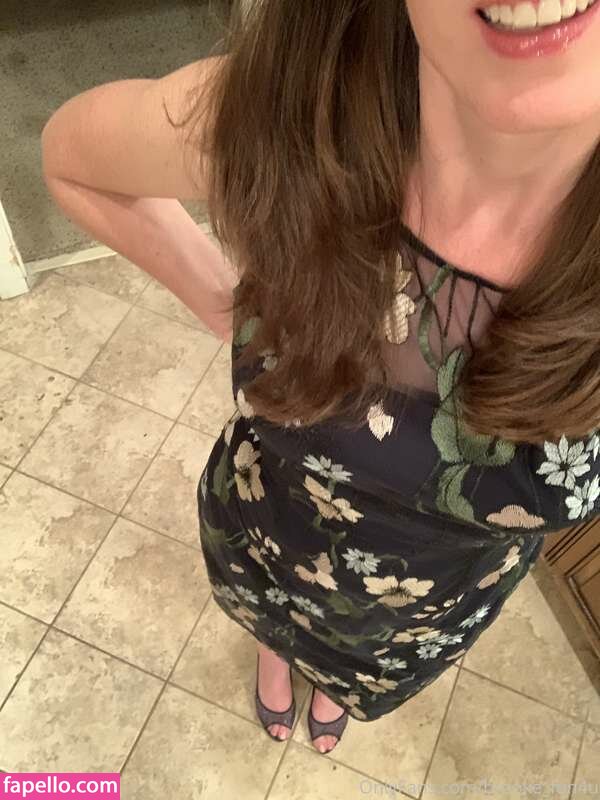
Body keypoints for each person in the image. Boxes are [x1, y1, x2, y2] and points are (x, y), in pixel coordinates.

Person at [42, 0, 600, 757]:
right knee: (269, 623)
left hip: (415, 622)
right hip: (267, 543)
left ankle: (334, 684)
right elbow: (73, 161)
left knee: (347, 672)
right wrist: (224, 305)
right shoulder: (290, 120)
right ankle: (275, 654)